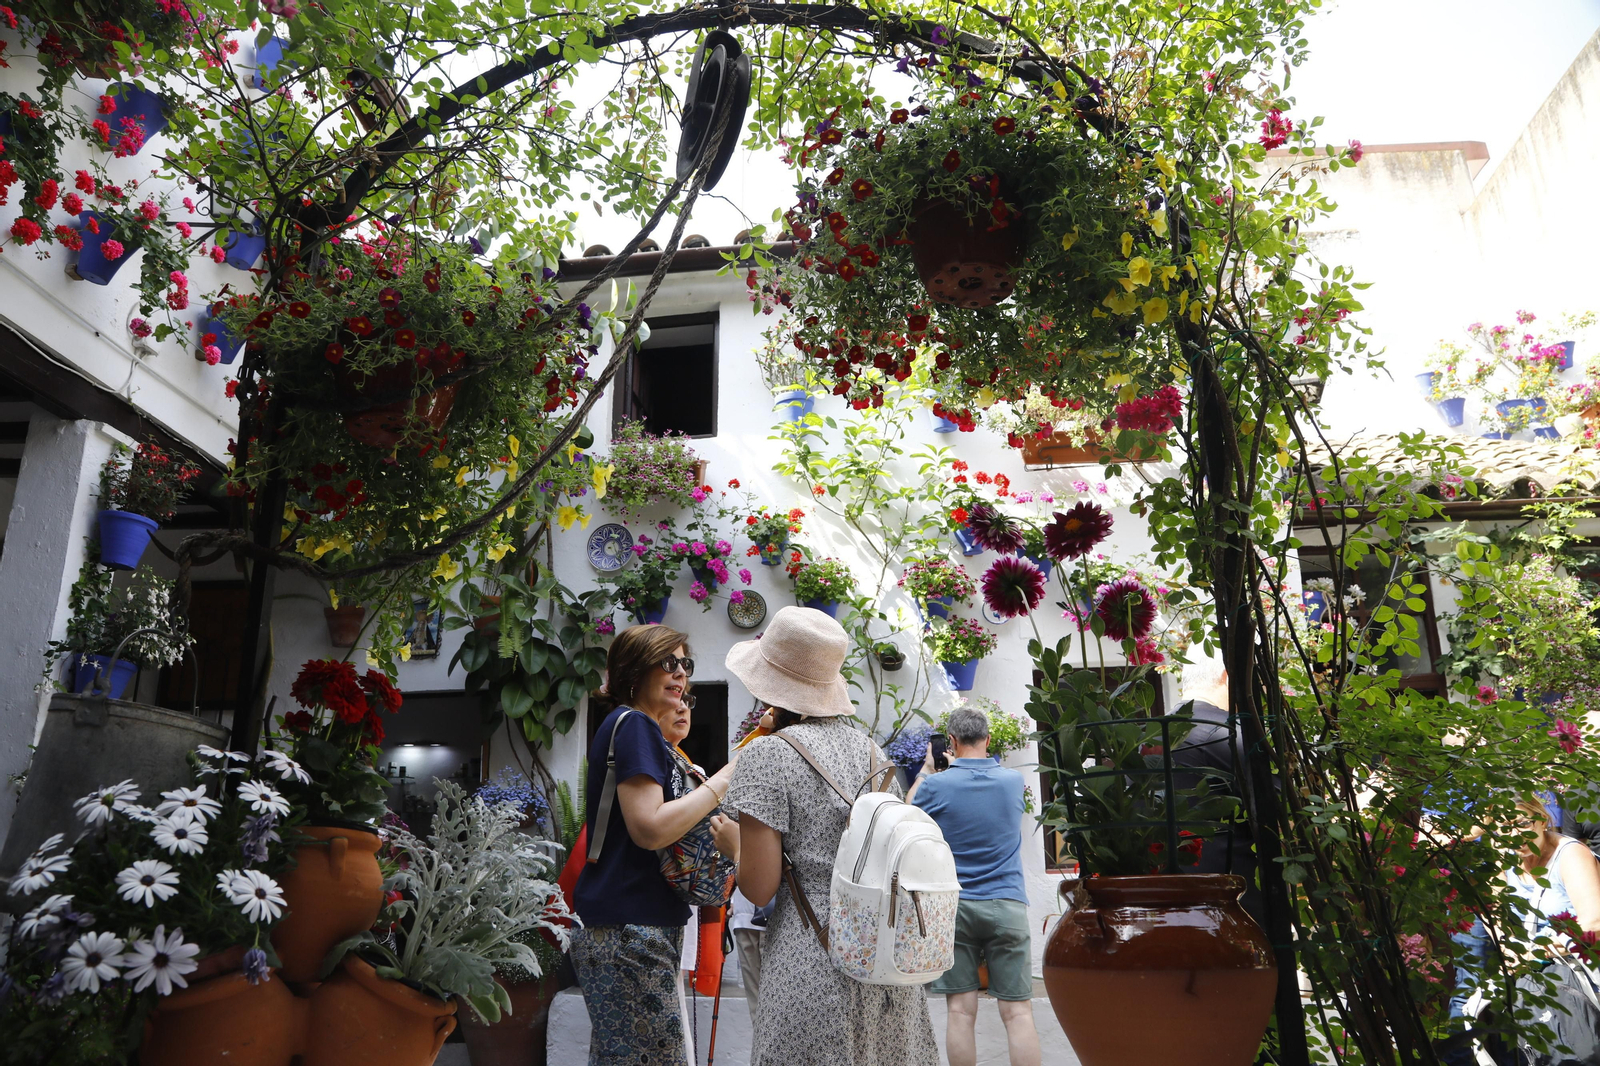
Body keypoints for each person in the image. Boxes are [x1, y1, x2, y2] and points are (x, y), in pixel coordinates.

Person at [723, 606, 939, 1066]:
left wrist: (732, 846)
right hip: (882, 958)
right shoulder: (873, 753)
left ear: (771, 687)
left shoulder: (768, 755)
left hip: (811, 960)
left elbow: (759, 888)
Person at [570, 624, 740, 1066]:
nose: (681, 673)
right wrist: (723, 779)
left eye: (686, 664)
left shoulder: (629, 727)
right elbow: (649, 828)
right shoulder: (636, 725)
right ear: (634, 668)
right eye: (668, 662)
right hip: (631, 927)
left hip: (624, 924)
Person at [907, 705, 1040, 1066]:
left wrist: (928, 770)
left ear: (951, 740)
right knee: (1019, 1014)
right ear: (989, 739)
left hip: (957, 908)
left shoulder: (936, 785)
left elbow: (907, 815)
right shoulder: (1013, 781)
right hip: (1008, 903)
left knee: (961, 1014)